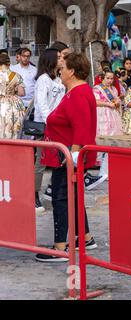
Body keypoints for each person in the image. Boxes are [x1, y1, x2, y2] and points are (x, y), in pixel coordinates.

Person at [37, 52, 98, 262]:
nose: (59, 71)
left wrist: (72, 155)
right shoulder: (75, 91)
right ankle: (85, 238)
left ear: (71, 71)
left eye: (62, 68)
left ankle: (60, 247)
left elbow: (81, 128)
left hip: (67, 157)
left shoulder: (79, 93)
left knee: (61, 198)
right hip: (68, 155)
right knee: (73, 197)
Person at [33, 49, 66, 213]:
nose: (62, 59)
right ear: (51, 60)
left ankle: (52, 190)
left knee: (58, 160)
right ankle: (34, 195)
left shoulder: (60, 79)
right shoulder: (43, 80)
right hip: (45, 126)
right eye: (59, 57)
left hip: (57, 125)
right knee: (41, 162)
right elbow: (42, 105)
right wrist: (50, 122)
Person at [88, 69, 124, 190]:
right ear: (102, 78)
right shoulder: (97, 89)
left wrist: (117, 102)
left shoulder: (113, 89)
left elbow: (117, 99)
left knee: (113, 141)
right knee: (104, 140)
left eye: (111, 78)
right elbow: (95, 101)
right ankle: (103, 170)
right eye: (107, 78)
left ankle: (110, 169)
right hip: (102, 115)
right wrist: (108, 104)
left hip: (113, 115)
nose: (109, 80)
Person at [0, 54, 26, 139]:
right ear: (9, 64)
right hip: (13, 104)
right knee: (12, 127)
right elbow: (21, 93)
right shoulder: (16, 76)